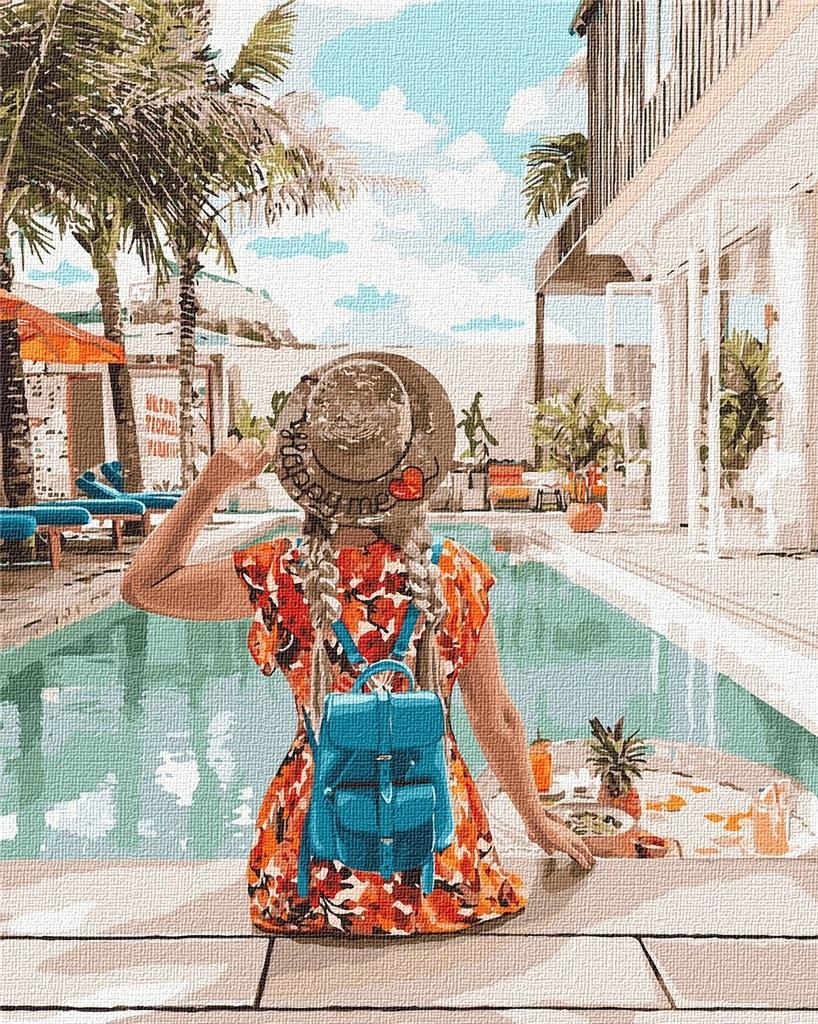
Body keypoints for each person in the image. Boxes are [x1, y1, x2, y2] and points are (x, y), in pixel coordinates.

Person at [122, 352, 593, 937]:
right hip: (439, 862)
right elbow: (495, 719)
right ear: (411, 468)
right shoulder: (456, 574)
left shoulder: (282, 573)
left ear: (314, 475)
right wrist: (536, 821)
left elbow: (142, 586)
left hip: (311, 866)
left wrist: (212, 485)